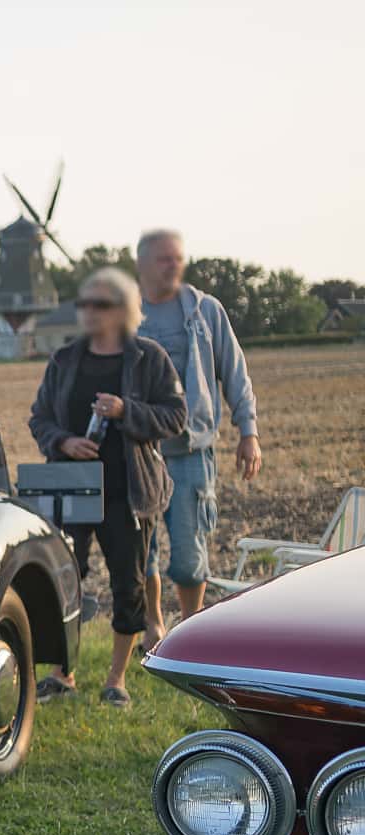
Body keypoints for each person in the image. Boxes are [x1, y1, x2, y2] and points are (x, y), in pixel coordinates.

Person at [28, 268, 186, 706]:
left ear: (123, 309)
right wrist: (63, 441)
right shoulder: (63, 359)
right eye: (84, 304)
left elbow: (175, 417)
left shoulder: (149, 358)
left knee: (128, 584)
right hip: (70, 489)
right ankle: (63, 673)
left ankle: (117, 679)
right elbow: (39, 417)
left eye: (99, 304)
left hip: (128, 494)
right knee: (65, 580)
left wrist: (125, 411)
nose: (88, 312)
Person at [135, 229, 260, 645]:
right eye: (164, 259)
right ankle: (154, 625)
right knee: (143, 550)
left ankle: (191, 632)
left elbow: (234, 372)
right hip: (140, 453)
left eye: (178, 258)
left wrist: (249, 432)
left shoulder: (205, 311)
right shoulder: (126, 314)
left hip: (192, 451)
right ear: (143, 264)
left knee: (189, 555)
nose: (174, 265)